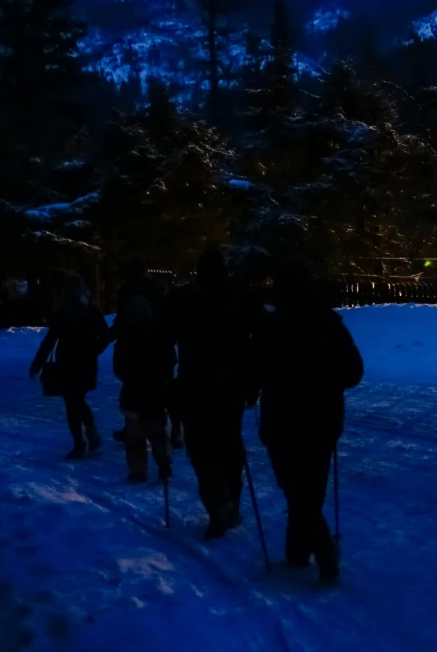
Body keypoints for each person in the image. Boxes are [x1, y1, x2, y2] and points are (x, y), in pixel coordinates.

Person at [259, 259, 363, 583]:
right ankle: (298, 550)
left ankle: (319, 548)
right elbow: (353, 373)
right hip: (323, 419)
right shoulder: (331, 324)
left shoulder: (274, 326)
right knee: (309, 488)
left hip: (282, 419)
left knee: (295, 487)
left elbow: (254, 367)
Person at [171, 247, 256, 539]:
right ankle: (230, 503)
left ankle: (218, 505)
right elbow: (259, 334)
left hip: (195, 385)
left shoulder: (185, 298)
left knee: (201, 450)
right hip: (231, 385)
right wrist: (252, 380)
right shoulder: (240, 296)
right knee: (230, 445)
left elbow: (165, 335)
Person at [29, 274, 109, 459]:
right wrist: (94, 350)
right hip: (87, 362)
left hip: (67, 362)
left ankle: (80, 442)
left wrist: (38, 364)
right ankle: (89, 433)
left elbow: (50, 340)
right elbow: (105, 334)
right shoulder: (91, 310)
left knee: (72, 402)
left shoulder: (63, 312)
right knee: (78, 399)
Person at [110, 294, 175, 482]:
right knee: (156, 430)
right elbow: (170, 359)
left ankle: (137, 470)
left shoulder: (125, 337)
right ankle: (164, 461)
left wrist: (128, 375)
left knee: (135, 435)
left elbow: (118, 367)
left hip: (132, 390)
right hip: (155, 390)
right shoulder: (159, 333)